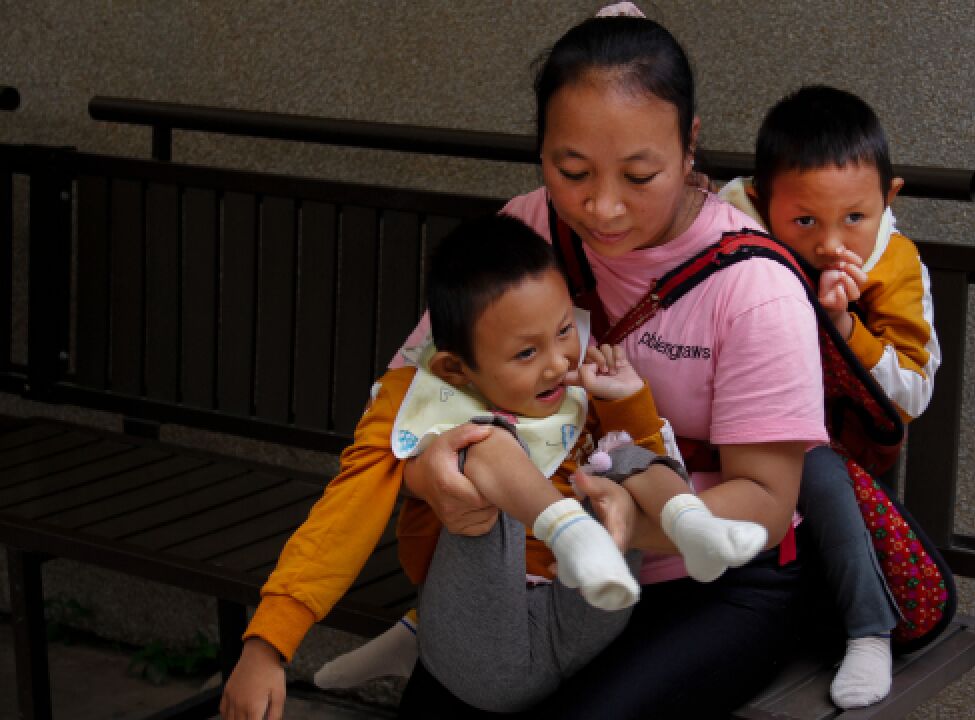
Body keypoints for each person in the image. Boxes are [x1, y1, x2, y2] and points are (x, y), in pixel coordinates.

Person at [393, 11, 830, 720]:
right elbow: (420, 397)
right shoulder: (528, 228)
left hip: (710, 579)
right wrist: (431, 475)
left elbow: (767, 504)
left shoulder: (755, 288)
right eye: (571, 172)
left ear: (689, 146)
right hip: (538, 563)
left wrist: (623, 519)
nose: (601, 207)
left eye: (639, 174)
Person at [220, 214, 768, 718]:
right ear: (455, 368)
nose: (557, 362)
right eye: (526, 354)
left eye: (562, 333)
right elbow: (340, 520)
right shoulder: (414, 400)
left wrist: (626, 402)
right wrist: (268, 644)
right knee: (482, 444)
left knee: (621, 455)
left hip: (593, 605)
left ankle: (693, 526)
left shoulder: (573, 376)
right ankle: (568, 531)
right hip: (489, 644)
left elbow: (645, 455)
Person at [717, 84, 941, 707]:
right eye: (805, 221)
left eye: (854, 218)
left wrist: (846, 329)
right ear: (763, 204)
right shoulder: (735, 234)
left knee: (808, 458)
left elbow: (913, 391)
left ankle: (869, 630)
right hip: (729, 424)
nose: (829, 242)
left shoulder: (895, 268)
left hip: (841, 448)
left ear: (887, 199)